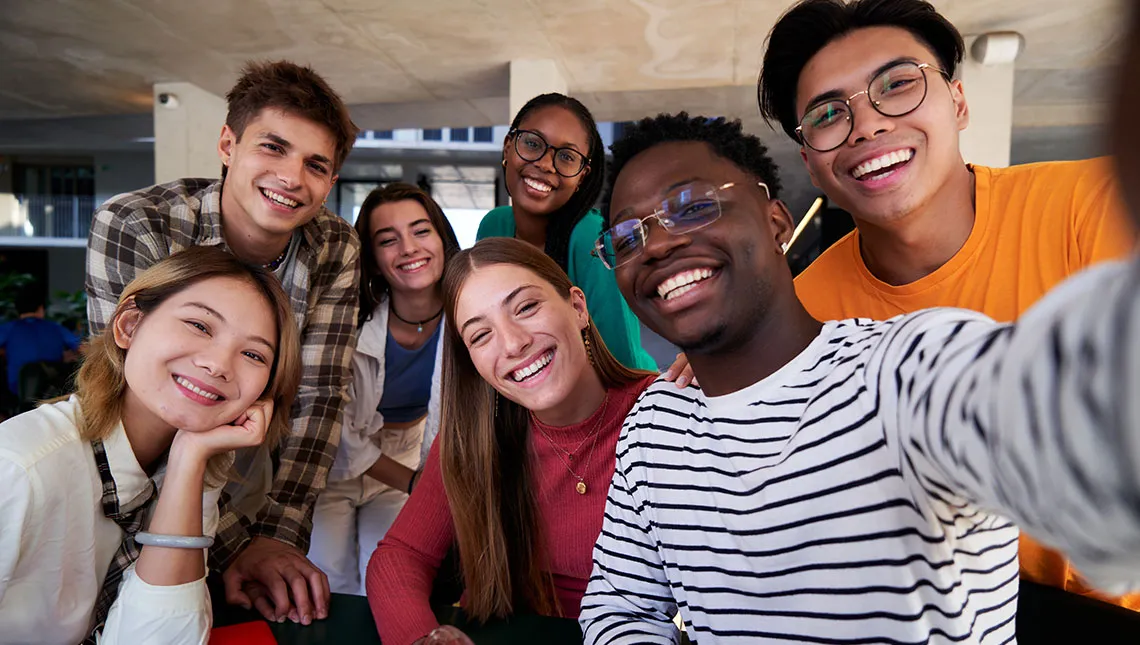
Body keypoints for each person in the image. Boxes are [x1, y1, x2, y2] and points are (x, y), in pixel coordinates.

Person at [578, 112, 1140, 643]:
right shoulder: (654, 425)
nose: (656, 244)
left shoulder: (906, 365)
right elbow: (619, 605)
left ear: (777, 221)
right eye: (627, 238)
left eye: (693, 206)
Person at [758, 0, 1138, 609]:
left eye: (898, 85)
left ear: (958, 102)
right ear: (810, 162)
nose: (868, 126)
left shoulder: (1097, 206)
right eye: (829, 114)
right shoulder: (804, 313)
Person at [85, 60, 360, 625]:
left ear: (331, 182)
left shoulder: (335, 245)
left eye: (315, 165)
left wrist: (277, 539)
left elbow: (318, 398)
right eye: (273, 147)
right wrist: (235, 544)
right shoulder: (139, 223)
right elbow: (130, 403)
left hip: (256, 472)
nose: (291, 177)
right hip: (124, 489)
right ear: (228, 144)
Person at [0, 246, 301, 645]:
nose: (219, 365)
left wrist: (189, 461)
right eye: (200, 325)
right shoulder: (18, 468)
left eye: (252, 353)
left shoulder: (194, 461)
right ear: (128, 326)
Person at [366, 238, 656, 645]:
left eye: (525, 307)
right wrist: (421, 637)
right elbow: (399, 556)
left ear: (577, 307)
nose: (513, 343)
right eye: (481, 335)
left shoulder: (661, 411)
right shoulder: (471, 440)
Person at [308, 183, 460, 596]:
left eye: (420, 231)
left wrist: (418, 481)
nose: (409, 248)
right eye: (388, 240)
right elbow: (337, 430)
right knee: (328, 583)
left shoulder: (466, 321)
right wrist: (415, 484)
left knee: (389, 577)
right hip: (332, 467)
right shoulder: (350, 323)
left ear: (442, 239)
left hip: (405, 455)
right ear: (373, 261)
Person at [477, 93, 658, 372]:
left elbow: (623, 364)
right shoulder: (493, 227)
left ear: (582, 175)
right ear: (507, 148)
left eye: (566, 157)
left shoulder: (592, 240)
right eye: (532, 143)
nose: (546, 164)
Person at [0, 283, 80, 399]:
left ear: (17, 309)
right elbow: (82, 348)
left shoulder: (8, 329)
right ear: (41, 308)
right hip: (51, 390)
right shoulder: (56, 328)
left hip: (17, 390)